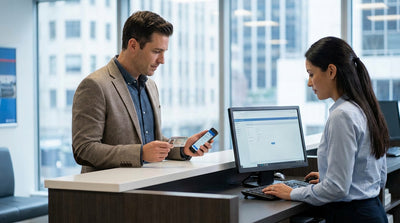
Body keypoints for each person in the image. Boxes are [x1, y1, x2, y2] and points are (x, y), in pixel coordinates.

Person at [262, 36, 389, 223]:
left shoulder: (342, 115)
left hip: (352, 217)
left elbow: (337, 188)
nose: (309, 83)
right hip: (371, 212)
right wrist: (332, 176)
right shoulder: (363, 107)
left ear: (331, 71)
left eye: (311, 74)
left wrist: (293, 192)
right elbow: (378, 175)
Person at [72, 11, 213, 173]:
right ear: (133, 45)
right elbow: (83, 149)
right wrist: (139, 153)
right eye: (156, 51)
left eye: (164, 52)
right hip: (111, 193)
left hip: (147, 187)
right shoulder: (95, 85)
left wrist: (183, 147)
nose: (162, 60)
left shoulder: (150, 86)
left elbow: (153, 141)